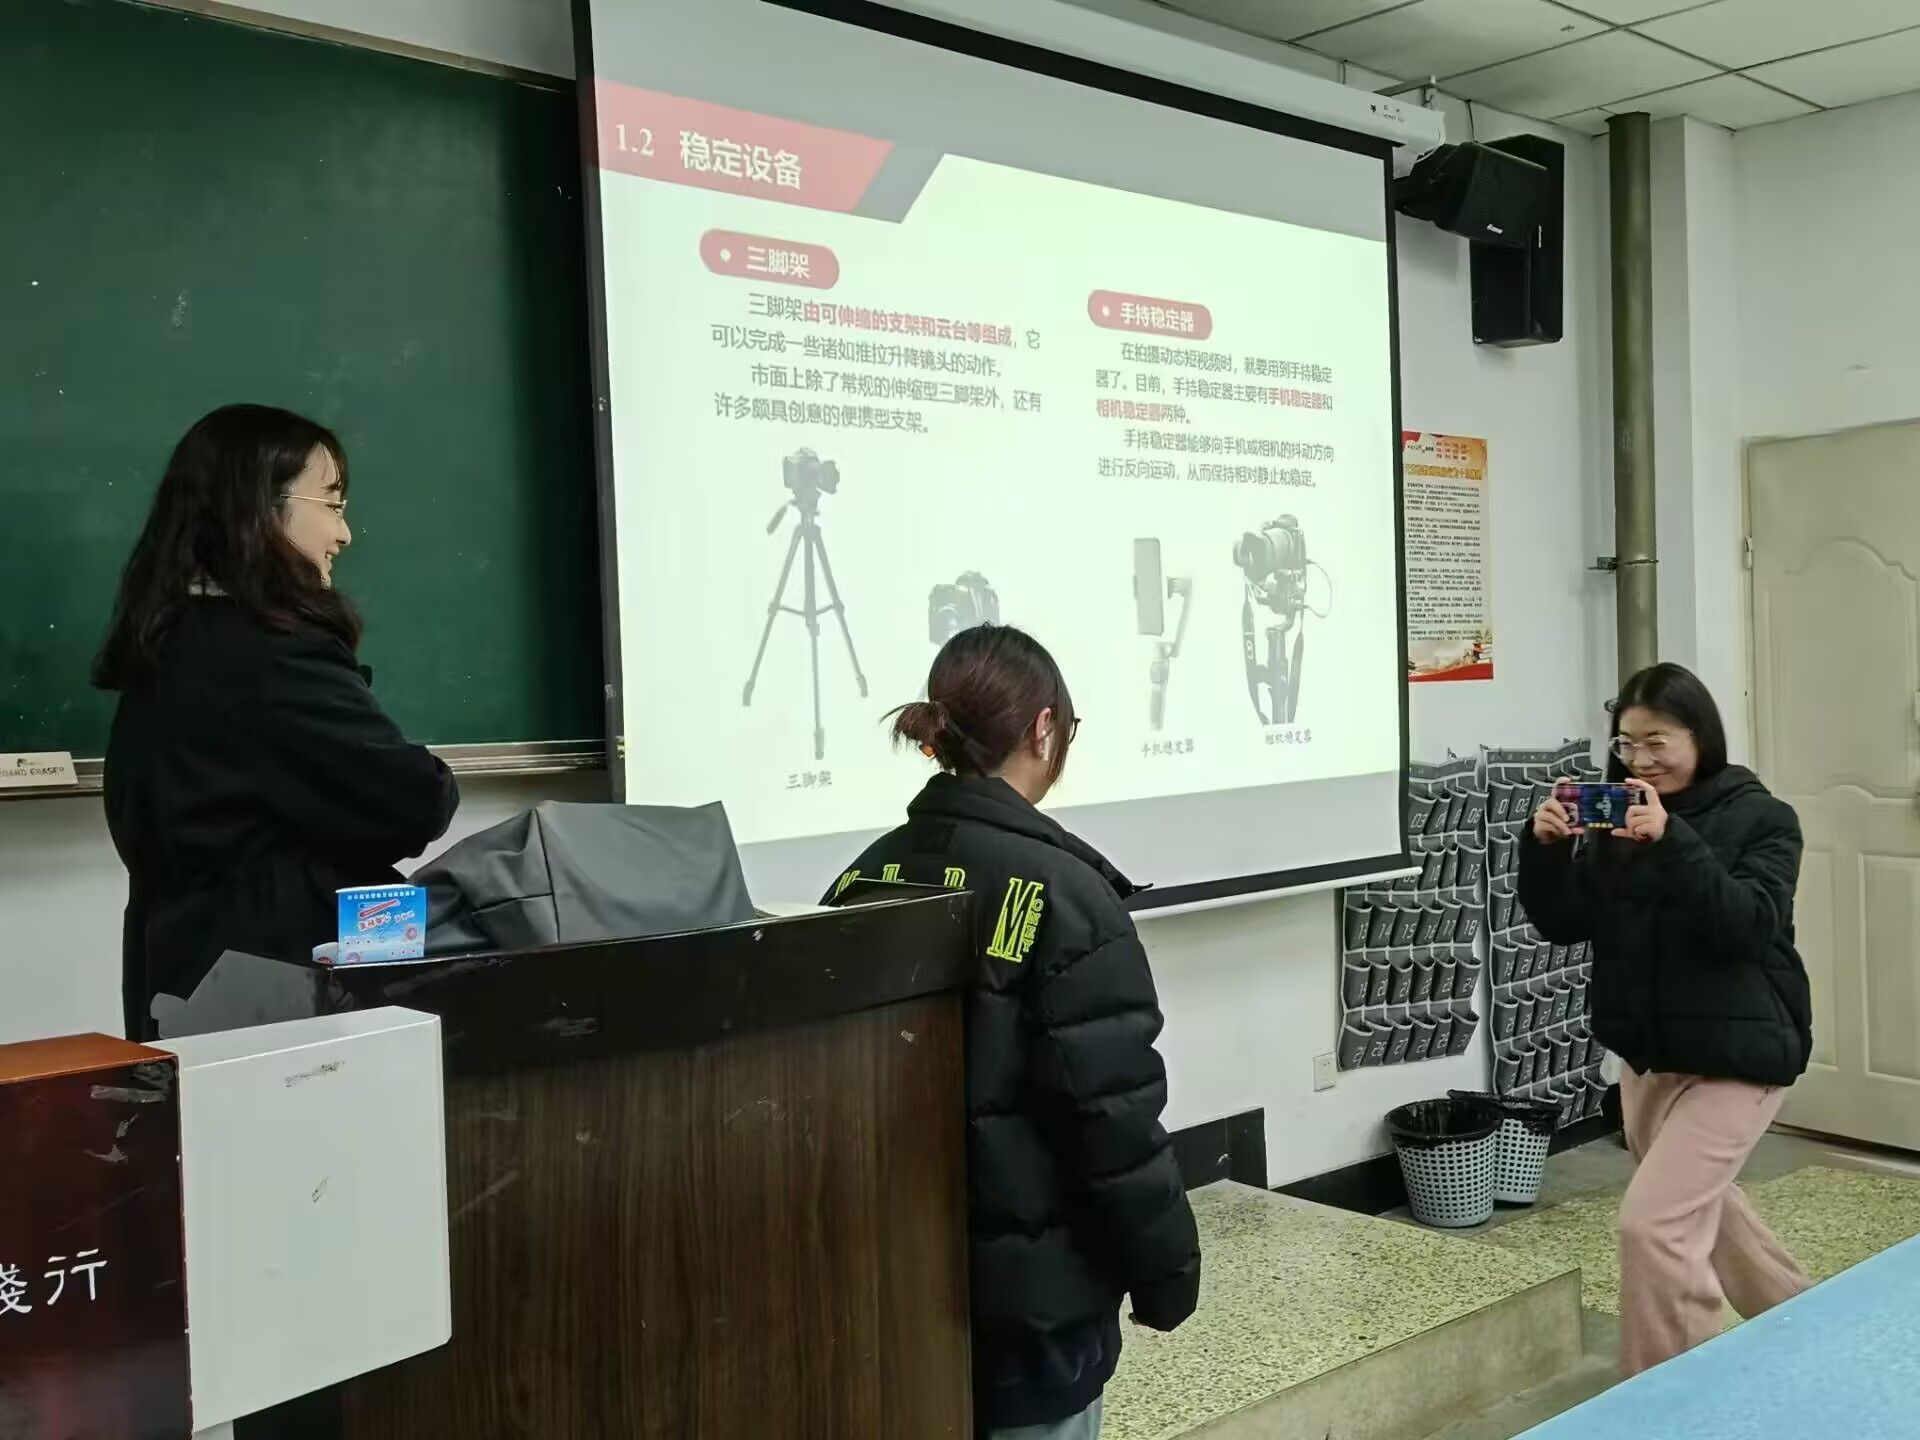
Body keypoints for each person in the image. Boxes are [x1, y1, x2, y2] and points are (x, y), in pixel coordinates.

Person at [825, 624, 1200, 1440]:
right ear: (1043, 728)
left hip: (890, 1304)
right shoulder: (1068, 896)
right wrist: (1167, 1275)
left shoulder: (861, 877)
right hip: (1033, 1328)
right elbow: (1113, 1122)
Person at [96, 404, 459, 1042]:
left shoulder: (170, 643)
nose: (344, 535)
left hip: (187, 978)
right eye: (333, 506)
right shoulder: (268, 655)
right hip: (278, 994)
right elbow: (413, 800)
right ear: (260, 510)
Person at [1519, 662, 1812, 1376]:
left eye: (1658, 742)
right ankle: (1805, 1322)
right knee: (1701, 1211)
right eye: (1627, 744)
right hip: (1650, 1055)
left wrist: (1671, 839)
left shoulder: (1764, 818)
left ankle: (1673, 1400)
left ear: (1699, 736)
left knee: (1653, 1226)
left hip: (1741, 1052)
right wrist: (1545, 850)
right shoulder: (1616, 817)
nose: (1641, 759)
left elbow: (1746, 928)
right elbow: (1565, 922)